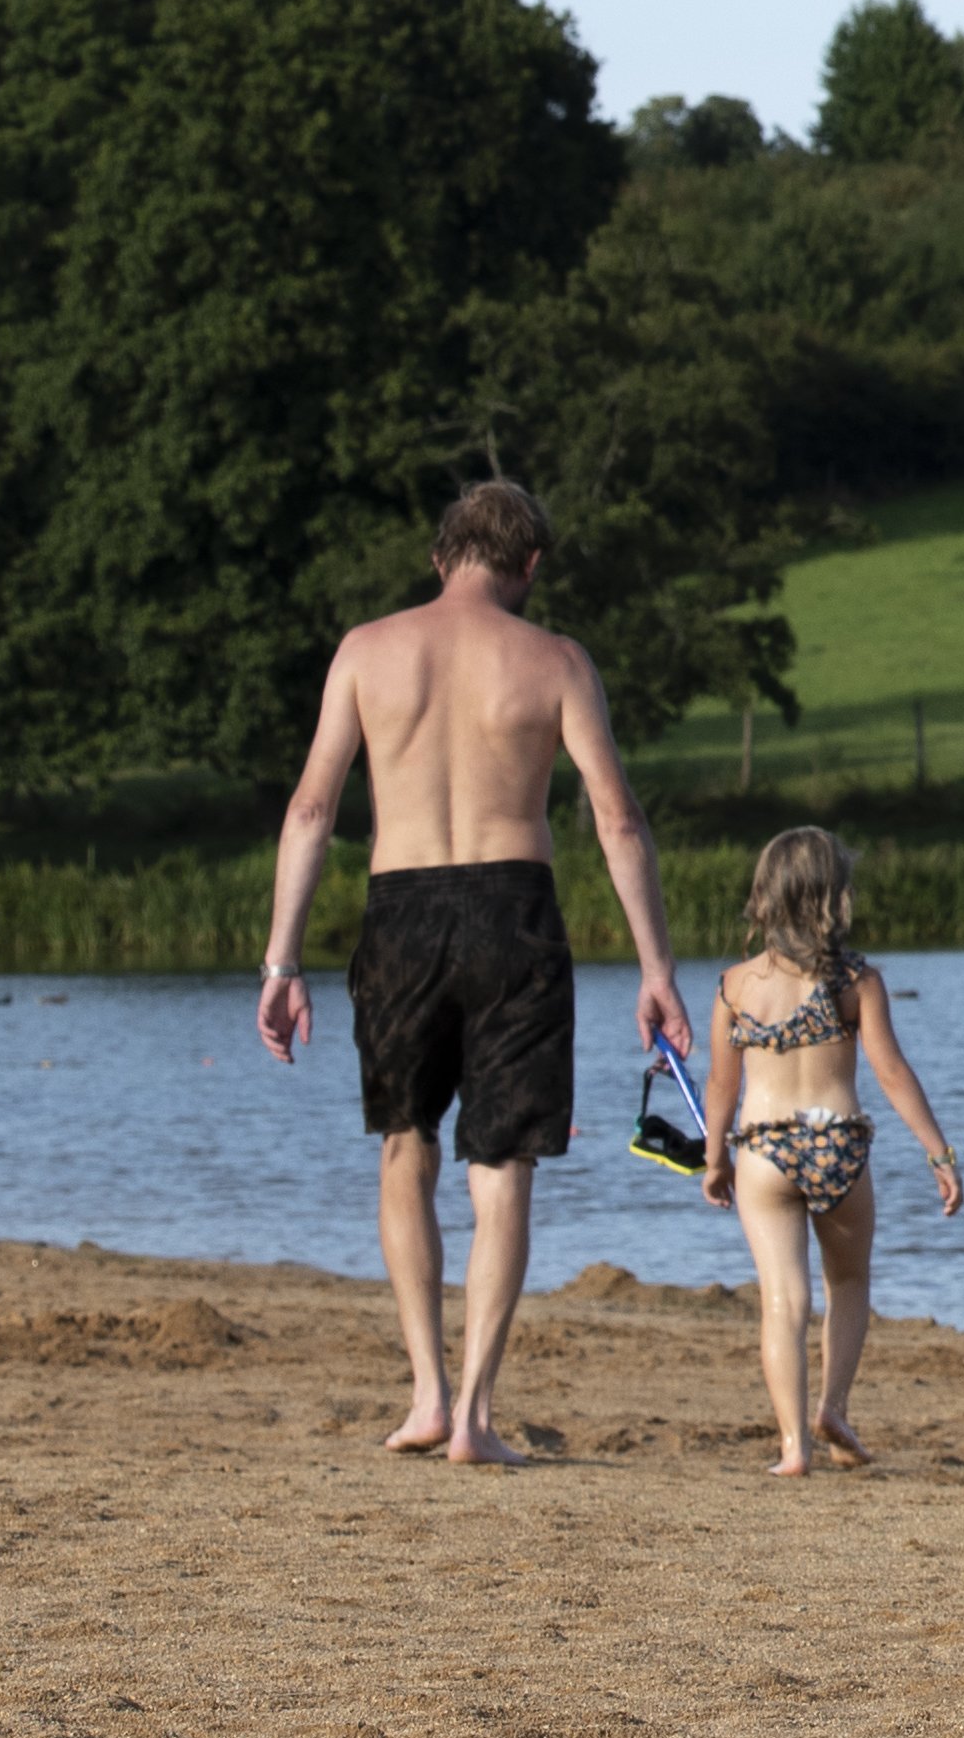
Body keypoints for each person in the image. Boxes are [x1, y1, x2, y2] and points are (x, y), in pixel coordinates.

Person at [255, 479, 690, 1469]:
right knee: (503, 1170)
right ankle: (476, 1417)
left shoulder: (366, 650)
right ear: (530, 564)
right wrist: (656, 966)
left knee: (405, 1148)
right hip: (514, 914)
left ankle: (425, 1393)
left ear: (438, 553)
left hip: (400, 912)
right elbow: (616, 818)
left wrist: (283, 957)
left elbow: (310, 809)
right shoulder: (557, 661)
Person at [694, 827, 962, 1473]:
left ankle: (793, 1448)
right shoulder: (855, 980)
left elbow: (721, 1086)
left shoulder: (734, 987)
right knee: (847, 1280)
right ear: (834, 896)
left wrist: (714, 1158)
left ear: (765, 896)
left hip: (763, 1149)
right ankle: (833, 1405)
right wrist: (939, 1153)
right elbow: (893, 1073)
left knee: (782, 1299)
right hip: (838, 1141)